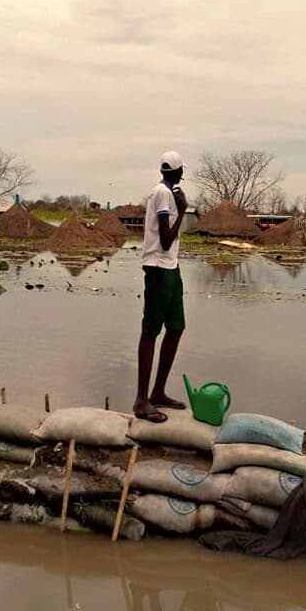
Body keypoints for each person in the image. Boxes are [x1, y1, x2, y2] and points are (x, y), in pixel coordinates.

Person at [134, 150, 188, 422]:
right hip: (157, 268)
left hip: (171, 268)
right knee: (151, 331)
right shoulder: (163, 194)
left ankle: (158, 392)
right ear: (178, 172)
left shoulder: (168, 192)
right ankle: (142, 400)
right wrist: (184, 210)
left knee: (176, 328)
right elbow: (166, 239)